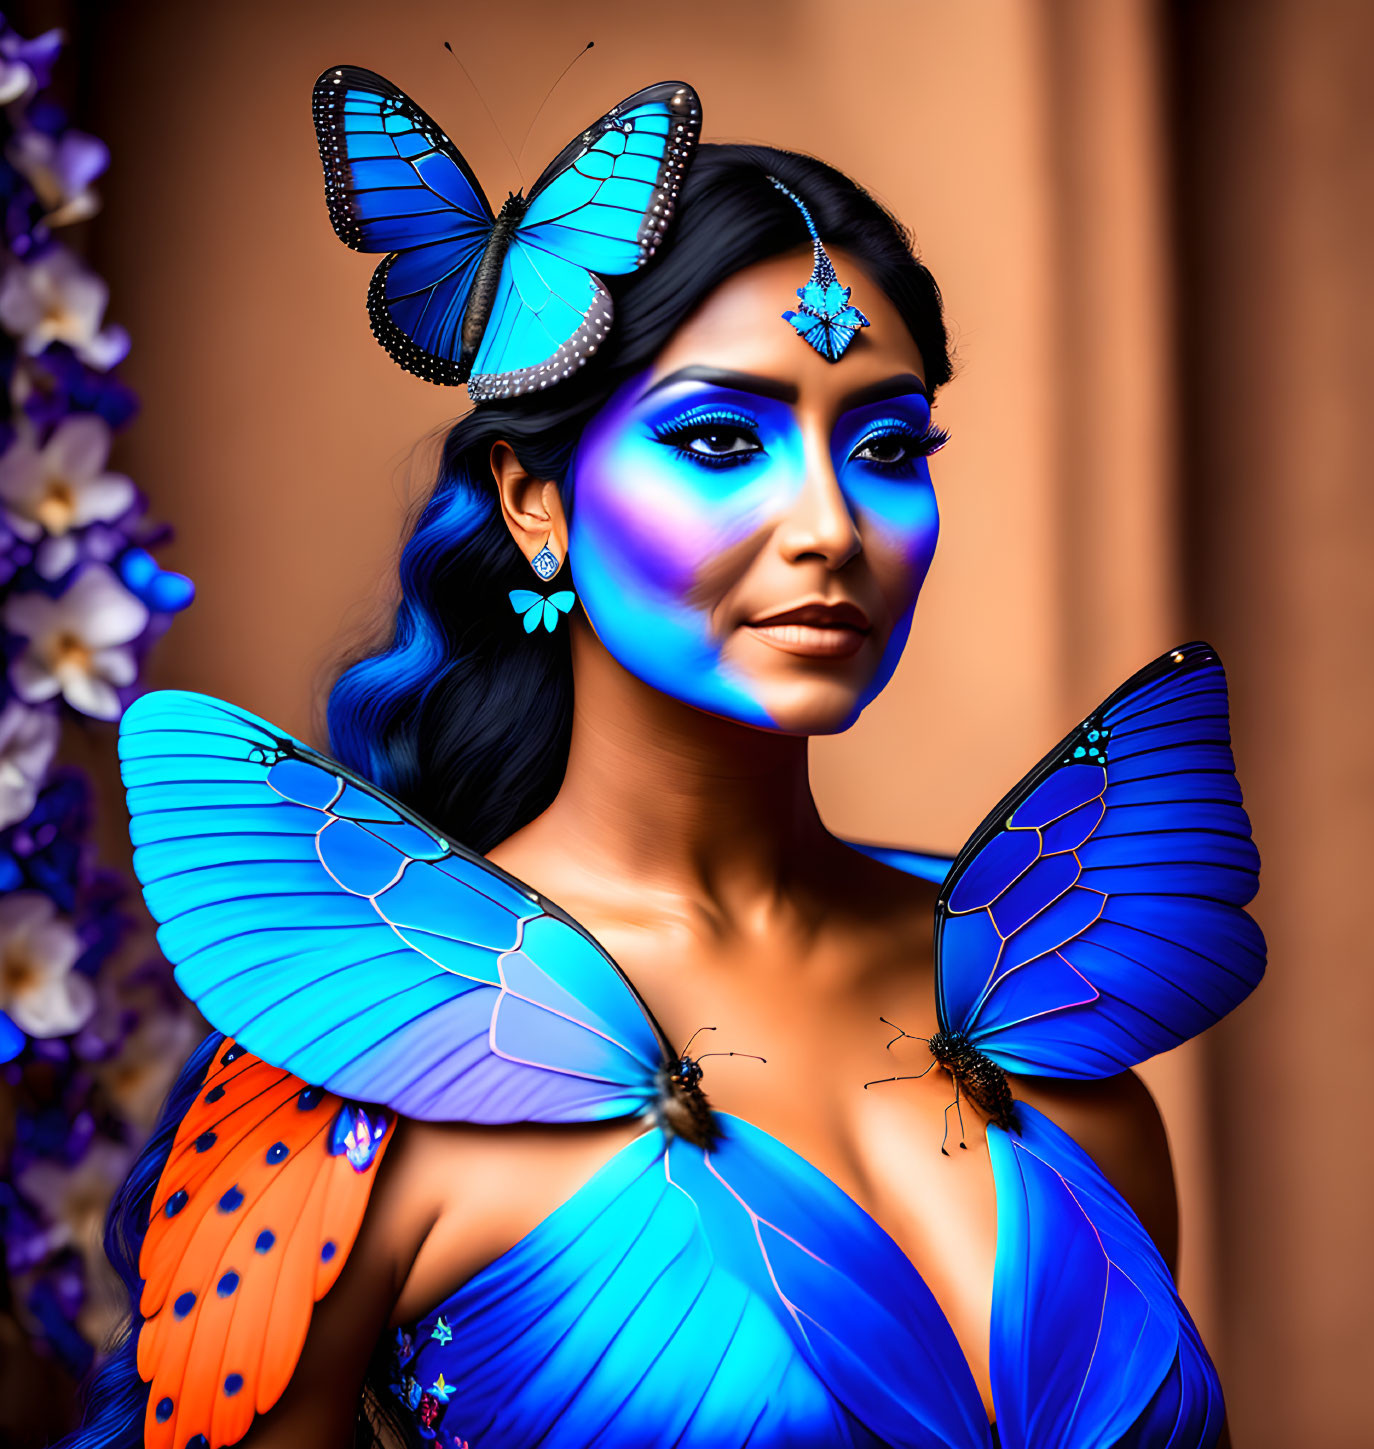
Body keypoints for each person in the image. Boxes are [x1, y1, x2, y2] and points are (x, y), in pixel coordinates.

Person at [61, 72, 1262, 1449]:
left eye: (885, 445)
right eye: (717, 438)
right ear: (534, 501)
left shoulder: (1052, 1011)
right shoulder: (361, 1057)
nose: (826, 521)